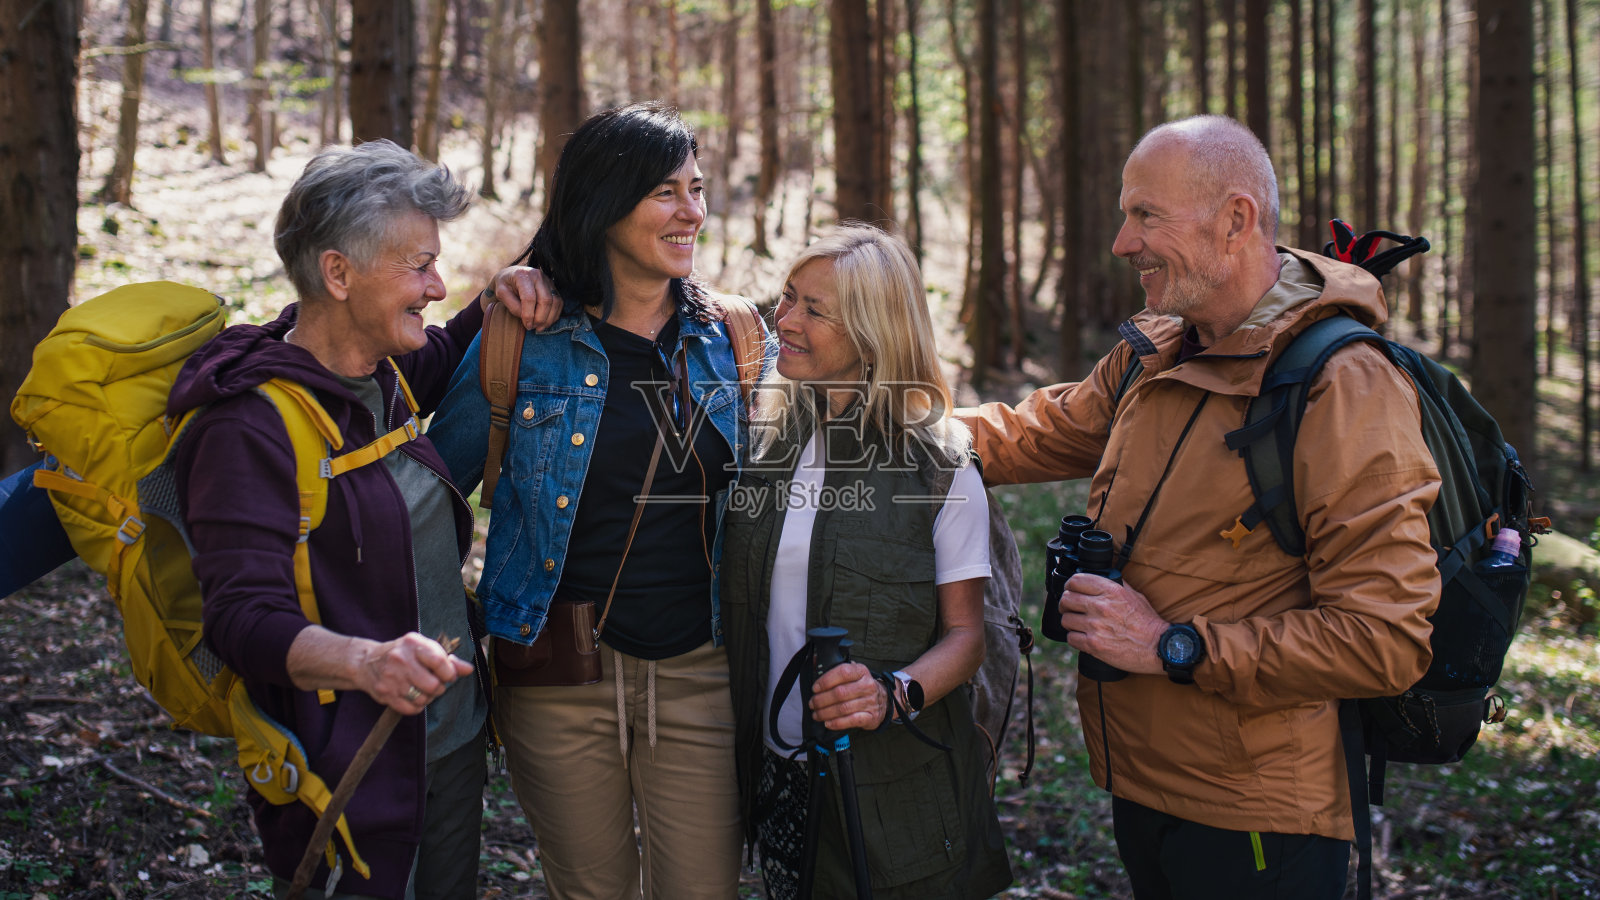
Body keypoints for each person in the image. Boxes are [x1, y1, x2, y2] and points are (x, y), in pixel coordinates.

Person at [959, 114, 1442, 900]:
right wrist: (895, 426)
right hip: (1145, 785)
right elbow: (1042, 430)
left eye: (1145, 215)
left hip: (1259, 818)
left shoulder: (1342, 383)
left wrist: (1174, 645)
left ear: (1235, 220)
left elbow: (1384, 638)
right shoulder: (1164, 346)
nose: (1122, 242)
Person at [170, 140, 530, 900]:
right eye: (418, 266)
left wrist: (504, 291)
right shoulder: (249, 428)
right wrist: (367, 663)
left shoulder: (385, 370)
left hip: (451, 738)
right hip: (350, 768)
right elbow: (239, 619)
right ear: (337, 273)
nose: (437, 286)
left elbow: (448, 351)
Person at [428, 102, 759, 900]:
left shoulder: (738, 343)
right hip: (555, 676)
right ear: (605, 203)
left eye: (698, 189)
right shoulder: (520, 338)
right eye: (667, 194)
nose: (694, 213)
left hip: (702, 674)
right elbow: (434, 493)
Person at [719, 224, 1013, 900]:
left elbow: (968, 638)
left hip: (892, 799)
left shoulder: (940, 467)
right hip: (777, 780)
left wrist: (892, 693)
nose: (783, 321)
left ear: (873, 333)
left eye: (813, 310)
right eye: (786, 298)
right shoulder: (764, 447)